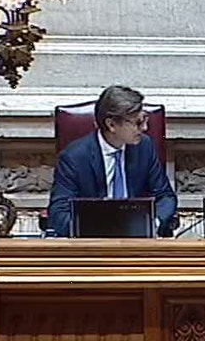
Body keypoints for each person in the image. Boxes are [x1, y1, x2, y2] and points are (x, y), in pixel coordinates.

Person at [48, 85, 177, 237]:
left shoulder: (145, 147)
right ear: (111, 125)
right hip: (93, 242)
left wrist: (153, 223)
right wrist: (103, 229)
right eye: (138, 122)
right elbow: (59, 213)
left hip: (140, 239)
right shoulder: (74, 157)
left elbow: (165, 196)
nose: (145, 127)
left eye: (144, 119)